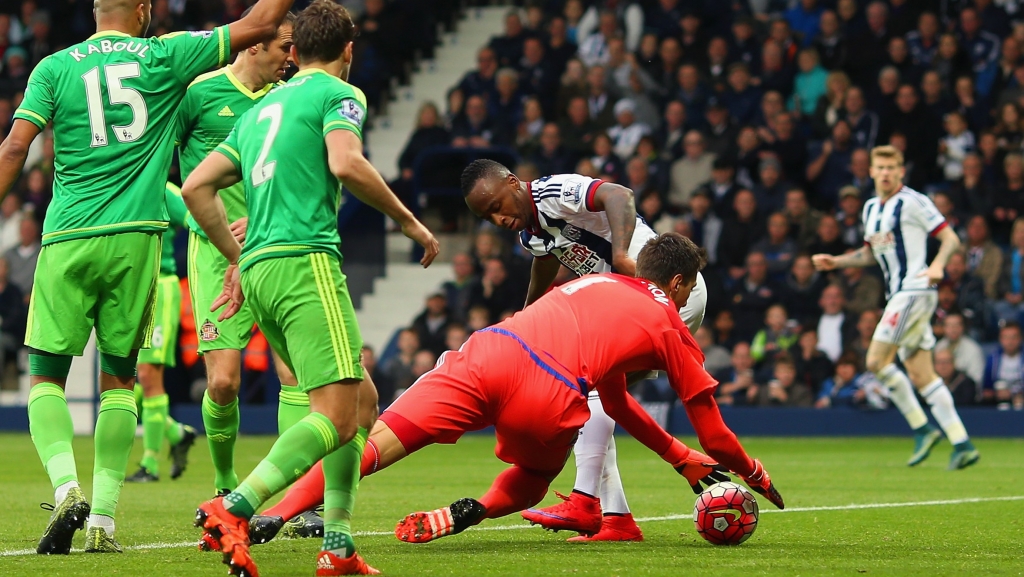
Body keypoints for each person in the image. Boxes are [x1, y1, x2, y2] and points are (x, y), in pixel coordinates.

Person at [0, 0, 296, 555]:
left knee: (45, 374)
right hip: (137, 238)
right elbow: (259, 25)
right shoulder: (166, 54)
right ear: (142, 10)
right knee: (120, 380)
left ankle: (67, 487)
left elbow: (17, 147)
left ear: (95, 11)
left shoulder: (53, 67)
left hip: (68, 234)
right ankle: (103, 524)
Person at [181, 2, 439, 574]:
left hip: (259, 272)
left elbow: (197, 188)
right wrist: (409, 221)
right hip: (306, 263)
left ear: (293, 52)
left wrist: (236, 254)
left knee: (363, 401)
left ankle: (340, 543)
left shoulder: (257, 110)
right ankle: (235, 507)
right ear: (349, 49)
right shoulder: (336, 94)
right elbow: (346, 163)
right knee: (337, 415)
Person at [382, 234, 782, 543]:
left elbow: (616, 402)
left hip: (491, 349)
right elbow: (715, 436)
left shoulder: (598, 281)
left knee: (388, 436)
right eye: (688, 289)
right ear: (677, 284)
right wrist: (755, 473)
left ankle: (599, 507)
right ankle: (488, 506)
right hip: (548, 397)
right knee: (535, 475)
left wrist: (678, 457)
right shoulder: (668, 324)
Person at [175, 8, 300, 499]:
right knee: (223, 383)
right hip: (213, 253)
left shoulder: (287, 100)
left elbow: (303, 172)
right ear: (253, 45)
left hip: (273, 247)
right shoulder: (199, 94)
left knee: (294, 374)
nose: (292, 58)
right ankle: (225, 483)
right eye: (283, 47)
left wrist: (273, 215)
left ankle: (293, 500)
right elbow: (171, 166)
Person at [812, 145, 979, 470]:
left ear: (901, 171)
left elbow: (951, 239)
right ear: (871, 171)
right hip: (900, 294)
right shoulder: (871, 208)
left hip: (914, 289)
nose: (886, 172)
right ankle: (962, 443)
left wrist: (938, 265)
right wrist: (837, 261)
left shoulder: (914, 201)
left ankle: (922, 428)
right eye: (881, 167)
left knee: (875, 360)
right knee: (922, 374)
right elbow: (870, 254)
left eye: (892, 167)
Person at [126, 183, 197, 484]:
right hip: (130, 289)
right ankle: (176, 433)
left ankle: (150, 465)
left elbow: (199, 218)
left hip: (160, 286)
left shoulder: (165, 190)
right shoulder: (125, 180)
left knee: (149, 376)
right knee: (130, 380)